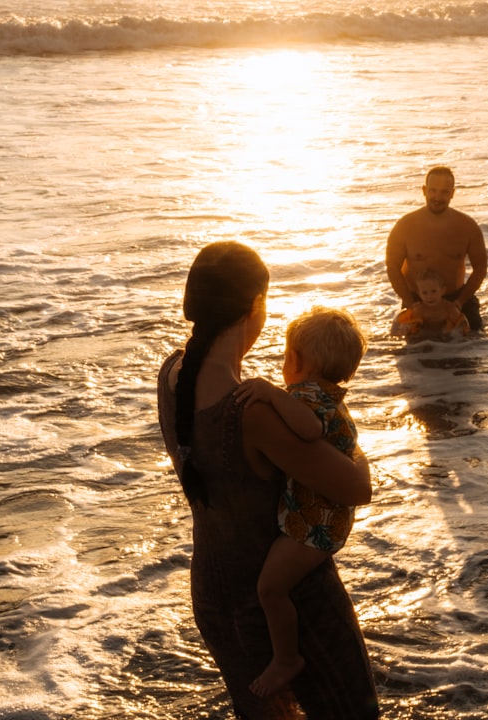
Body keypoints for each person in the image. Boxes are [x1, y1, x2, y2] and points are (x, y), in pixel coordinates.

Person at [156, 242, 379, 720]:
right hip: (288, 600)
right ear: (255, 305)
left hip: (215, 595)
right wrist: (355, 451)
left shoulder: (172, 374)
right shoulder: (251, 411)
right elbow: (356, 489)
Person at [233, 306, 368, 699]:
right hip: (325, 516)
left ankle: (287, 659)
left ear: (297, 361)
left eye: (286, 354)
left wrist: (271, 393)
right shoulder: (329, 396)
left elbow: (307, 429)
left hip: (316, 524)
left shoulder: (306, 396)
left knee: (270, 588)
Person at [386, 165, 487, 331]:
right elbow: (393, 268)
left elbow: (481, 267)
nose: (437, 197)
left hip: (457, 300)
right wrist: (412, 304)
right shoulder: (404, 226)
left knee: (477, 347)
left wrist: (460, 301)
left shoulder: (468, 226)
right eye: (433, 191)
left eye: (444, 192)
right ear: (424, 190)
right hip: (417, 300)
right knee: (409, 353)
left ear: (452, 193)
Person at [390, 268, 471, 342]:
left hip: (445, 338)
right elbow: (408, 330)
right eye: (424, 293)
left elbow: (462, 327)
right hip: (425, 338)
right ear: (419, 294)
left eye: (434, 291)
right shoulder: (419, 310)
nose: (429, 296)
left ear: (443, 290)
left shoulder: (449, 308)